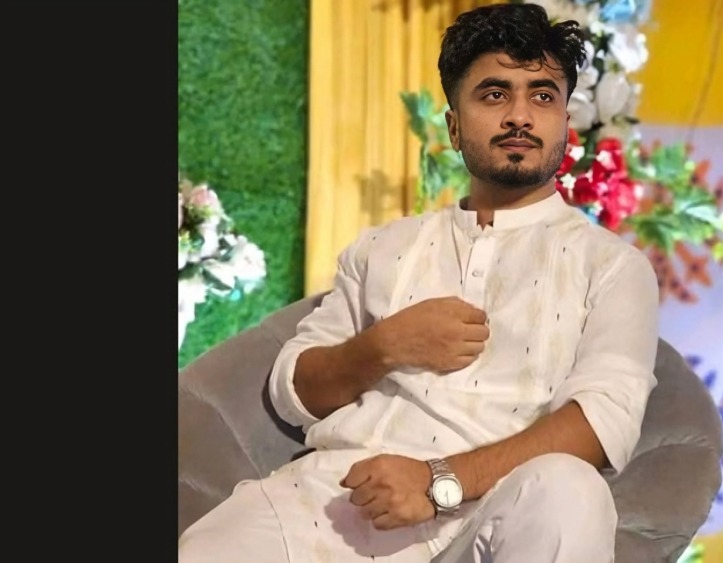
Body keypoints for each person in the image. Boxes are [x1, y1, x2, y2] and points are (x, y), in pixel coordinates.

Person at [178, 3, 660, 562]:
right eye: (495, 94)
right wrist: (382, 347)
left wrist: (437, 482)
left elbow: (603, 422)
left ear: (564, 123)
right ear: (454, 127)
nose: (520, 116)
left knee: (573, 492)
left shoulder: (613, 267)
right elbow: (294, 394)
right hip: (335, 503)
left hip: (489, 520)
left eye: (542, 96)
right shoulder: (383, 248)